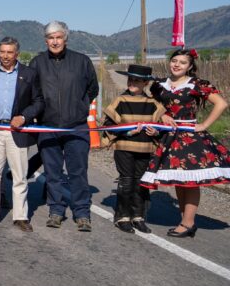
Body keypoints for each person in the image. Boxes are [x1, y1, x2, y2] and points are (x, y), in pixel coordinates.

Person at [141, 49, 230, 237]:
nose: (177, 65)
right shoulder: (159, 86)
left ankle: (188, 223)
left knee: (190, 182)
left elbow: (221, 104)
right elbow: (152, 105)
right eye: (174, 60)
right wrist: (162, 115)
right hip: (168, 136)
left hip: (189, 138)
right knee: (179, 182)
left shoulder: (196, 84)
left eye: (182, 62)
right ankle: (185, 221)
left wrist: (204, 124)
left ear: (190, 66)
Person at [30, 21, 98, 232]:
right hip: (48, 127)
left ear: (66, 39)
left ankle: (82, 213)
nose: (55, 41)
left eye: (59, 37)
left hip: (76, 127)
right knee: (53, 172)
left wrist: (79, 106)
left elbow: (92, 89)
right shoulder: (38, 62)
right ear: (45, 40)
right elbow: (32, 92)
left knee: (78, 171)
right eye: (51, 38)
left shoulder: (82, 61)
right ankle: (56, 210)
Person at [0, 37, 44, 232]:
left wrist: (24, 117)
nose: (6, 56)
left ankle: (21, 216)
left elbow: (39, 102)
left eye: (10, 52)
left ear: (17, 54)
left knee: (20, 176)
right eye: (2, 52)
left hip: (17, 131)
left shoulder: (29, 74)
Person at [102, 64, 164, 234]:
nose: (132, 82)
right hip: (124, 147)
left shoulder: (153, 103)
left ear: (146, 83)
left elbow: (162, 127)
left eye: (137, 80)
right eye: (130, 79)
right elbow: (107, 125)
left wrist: (156, 131)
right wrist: (127, 131)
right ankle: (122, 217)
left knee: (141, 182)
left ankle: (138, 216)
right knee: (127, 180)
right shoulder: (120, 100)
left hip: (145, 147)